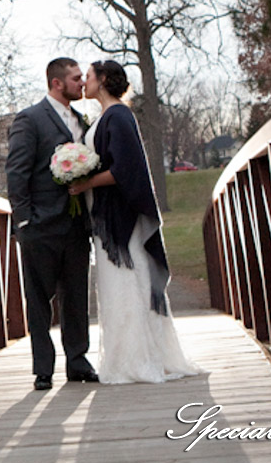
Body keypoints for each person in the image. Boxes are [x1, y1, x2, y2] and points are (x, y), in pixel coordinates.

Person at [68, 61, 200, 384]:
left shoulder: (119, 116)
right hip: (106, 220)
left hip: (119, 221)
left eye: (88, 76)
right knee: (117, 287)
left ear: (102, 80)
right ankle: (125, 358)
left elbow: (124, 171)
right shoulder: (105, 117)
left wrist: (86, 184)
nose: (84, 81)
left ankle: (139, 360)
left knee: (128, 284)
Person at [5, 57, 100, 391]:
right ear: (57, 83)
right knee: (38, 299)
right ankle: (43, 369)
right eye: (76, 79)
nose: (81, 84)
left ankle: (78, 362)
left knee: (76, 296)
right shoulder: (29, 119)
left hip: (76, 225)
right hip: (41, 225)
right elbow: (16, 172)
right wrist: (25, 220)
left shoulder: (80, 119)